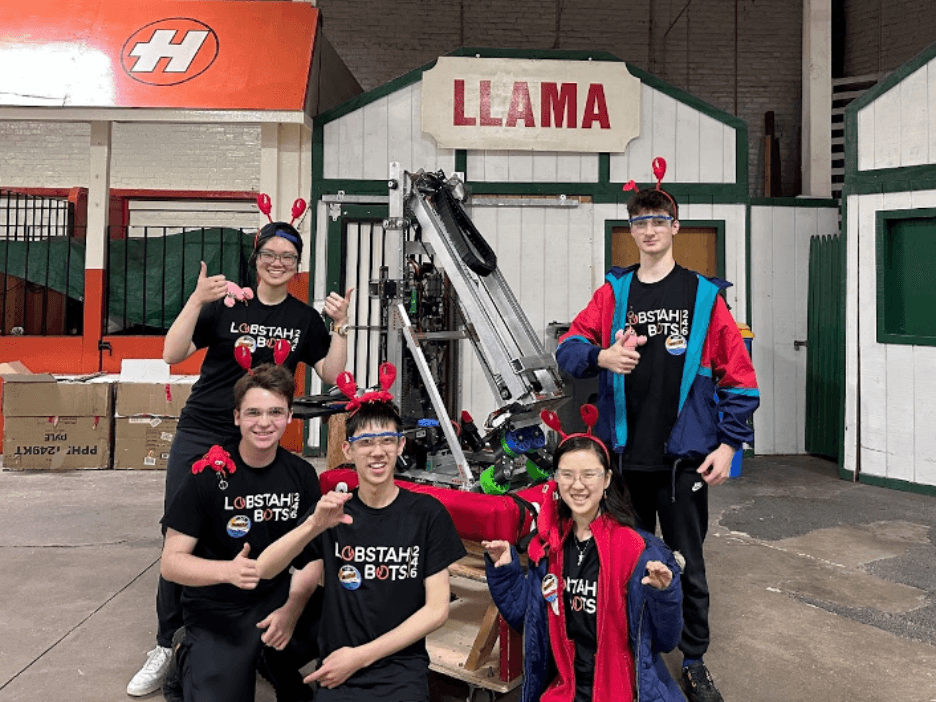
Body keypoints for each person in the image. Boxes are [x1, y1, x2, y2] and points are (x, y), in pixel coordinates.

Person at [127, 216, 352, 697]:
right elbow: (171, 353)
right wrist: (196, 299)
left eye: (287, 258)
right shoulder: (228, 305)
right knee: (181, 532)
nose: (277, 263)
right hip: (207, 426)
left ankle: (257, 633)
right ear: (257, 258)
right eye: (269, 254)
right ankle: (169, 643)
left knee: (264, 524)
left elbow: (332, 373)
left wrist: (341, 325)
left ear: (296, 266)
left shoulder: (302, 318)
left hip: (261, 428)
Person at [555, 185, 759, 702]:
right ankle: (636, 652)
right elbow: (570, 347)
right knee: (627, 558)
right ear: (632, 232)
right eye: (639, 222)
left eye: (658, 220)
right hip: (624, 460)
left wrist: (730, 445)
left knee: (687, 560)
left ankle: (693, 660)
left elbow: (738, 376)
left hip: (684, 462)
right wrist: (601, 357)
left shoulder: (704, 296)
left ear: (675, 227)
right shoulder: (614, 292)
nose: (649, 229)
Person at [255, 366, 467, 702]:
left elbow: (437, 609)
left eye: (387, 440)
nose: (377, 451)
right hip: (338, 672)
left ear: (400, 446)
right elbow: (264, 569)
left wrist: (361, 656)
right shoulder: (333, 512)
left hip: (401, 672)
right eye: (365, 442)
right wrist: (314, 525)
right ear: (349, 450)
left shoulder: (426, 514)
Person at [159, 364, 348, 702]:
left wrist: (291, 610)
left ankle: (272, 659)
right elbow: (171, 564)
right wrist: (227, 571)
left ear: (290, 416)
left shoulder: (302, 475)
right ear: (236, 418)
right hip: (217, 609)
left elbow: (312, 557)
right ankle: (187, 654)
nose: (264, 423)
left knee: (351, 612)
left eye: (275, 412)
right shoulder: (206, 474)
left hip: (277, 599)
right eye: (253, 413)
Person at [482, 414, 685, 702]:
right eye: (567, 474)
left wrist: (664, 594)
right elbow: (528, 623)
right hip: (567, 690)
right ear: (555, 479)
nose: (577, 485)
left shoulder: (638, 551)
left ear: (607, 479)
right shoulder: (549, 550)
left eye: (589, 474)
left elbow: (666, 640)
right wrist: (505, 571)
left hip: (624, 692)